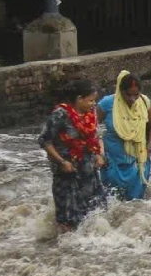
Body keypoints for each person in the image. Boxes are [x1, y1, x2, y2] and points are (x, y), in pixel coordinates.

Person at [38, 79, 107, 233]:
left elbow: (98, 136)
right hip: (67, 174)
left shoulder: (91, 114)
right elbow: (45, 141)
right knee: (68, 221)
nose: (94, 104)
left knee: (96, 213)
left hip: (89, 171)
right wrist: (62, 162)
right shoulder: (60, 114)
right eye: (91, 100)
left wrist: (100, 154)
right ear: (79, 99)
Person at [97, 71, 151, 201]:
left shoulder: (144, 102)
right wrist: (99, 153)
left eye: (136, 95)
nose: (132, 99)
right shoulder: (107, 104)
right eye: (128, 95)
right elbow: (91, 127)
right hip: (112, 161)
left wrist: (149, 148)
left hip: (138, 161)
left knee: (136, 203)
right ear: (120, 91)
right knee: (111, 201)